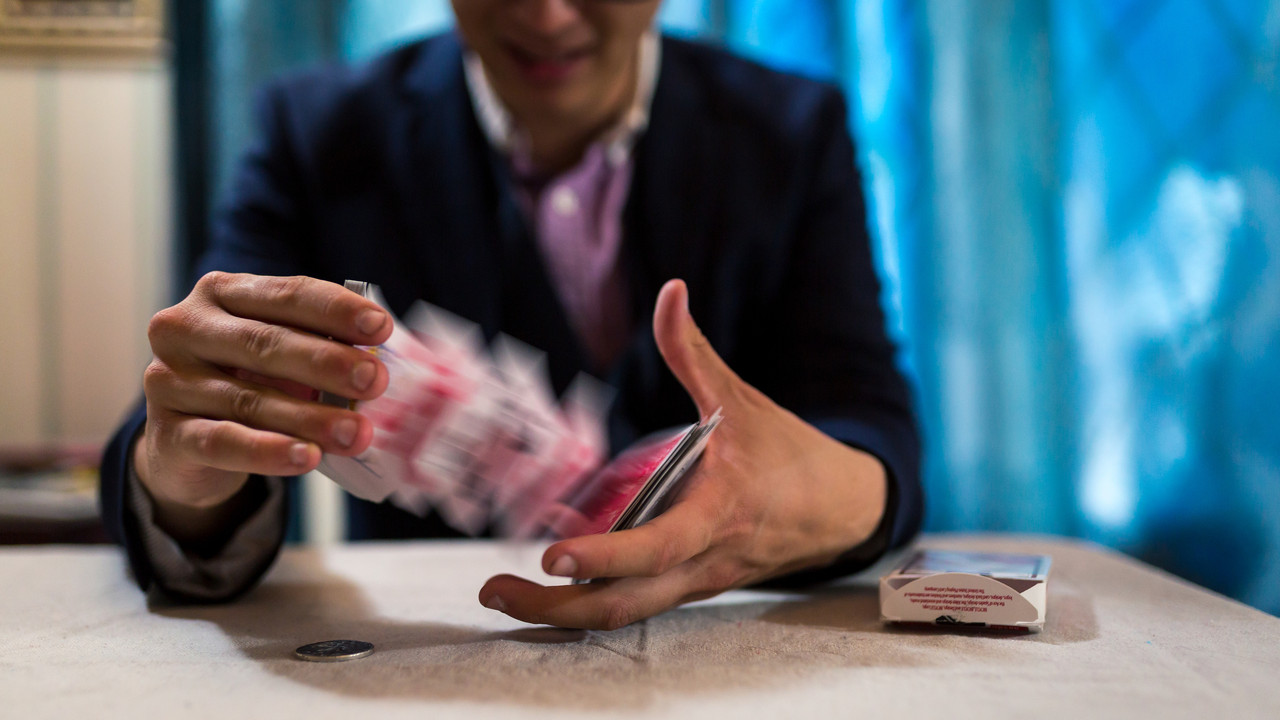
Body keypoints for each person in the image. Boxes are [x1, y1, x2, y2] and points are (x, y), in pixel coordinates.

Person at [100, 0, 922, 631]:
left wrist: (824, 492)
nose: (547, 15)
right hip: (433, 668)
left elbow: (868, 429)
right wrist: (187, 474)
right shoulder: (318, 133)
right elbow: (189, 412)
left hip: (728, 653)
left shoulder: (792, 130)